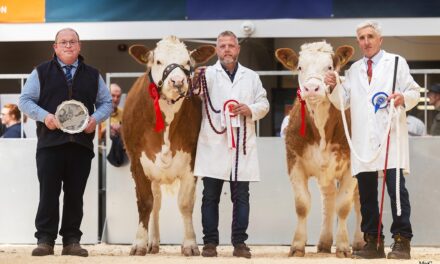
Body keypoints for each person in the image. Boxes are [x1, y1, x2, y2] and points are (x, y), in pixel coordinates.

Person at [325, 20, 419, 260]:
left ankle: (402, 241)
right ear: (358, 42)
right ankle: (373, 242)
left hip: (390, 138)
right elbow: (341, 102)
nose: (366, 41)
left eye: (370, 36)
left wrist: (402, 98)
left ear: (380, 40)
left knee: (396, 191)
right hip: (363, 142)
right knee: (366, 194)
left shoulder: (396, 63)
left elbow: (414, 92)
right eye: (362, 38)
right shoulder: (354, 70)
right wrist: (334, 86)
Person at [19, 28, 112, 257]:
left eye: (73, 42)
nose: (68, 45)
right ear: (55, 47)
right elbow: (25, 100)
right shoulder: (40, 72)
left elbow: (106, 103)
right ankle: (45, 240)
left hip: (81, 146)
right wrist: (45, 117)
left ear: (79, 46)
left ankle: (72, 241)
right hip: (50, 145)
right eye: (63, 42)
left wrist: (95, 119)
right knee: (48, 193)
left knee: (75, 194)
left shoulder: (93, 74)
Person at [194, 31, 269, 259]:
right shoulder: (207, 75)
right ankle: (209, 243)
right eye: (222, 46)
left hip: (241, 145)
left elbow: (263, 102)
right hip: (213, 143)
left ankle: (239, 243)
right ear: (217, 50)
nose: (227, 49)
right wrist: (194, 80)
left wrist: (251, 110)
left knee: (242, 197)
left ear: (238, 49)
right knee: (210, 196)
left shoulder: (251, 76)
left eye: (231, 46)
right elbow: (194, 94)